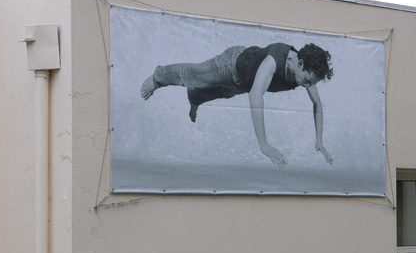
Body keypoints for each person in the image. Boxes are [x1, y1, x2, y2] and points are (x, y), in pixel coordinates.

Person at [140, 43, 334, 167]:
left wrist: (319, 139)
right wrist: (264, 145)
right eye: (308, 80)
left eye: (312, 83)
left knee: (214, 93)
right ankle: (158, 77)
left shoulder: (306, 73)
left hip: (242, 84)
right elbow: (256, 97)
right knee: (194, 75)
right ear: (300, 64)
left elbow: (316, 102)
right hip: (230, 65)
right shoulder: (274, 60)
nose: (307, 86)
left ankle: (194, 99)